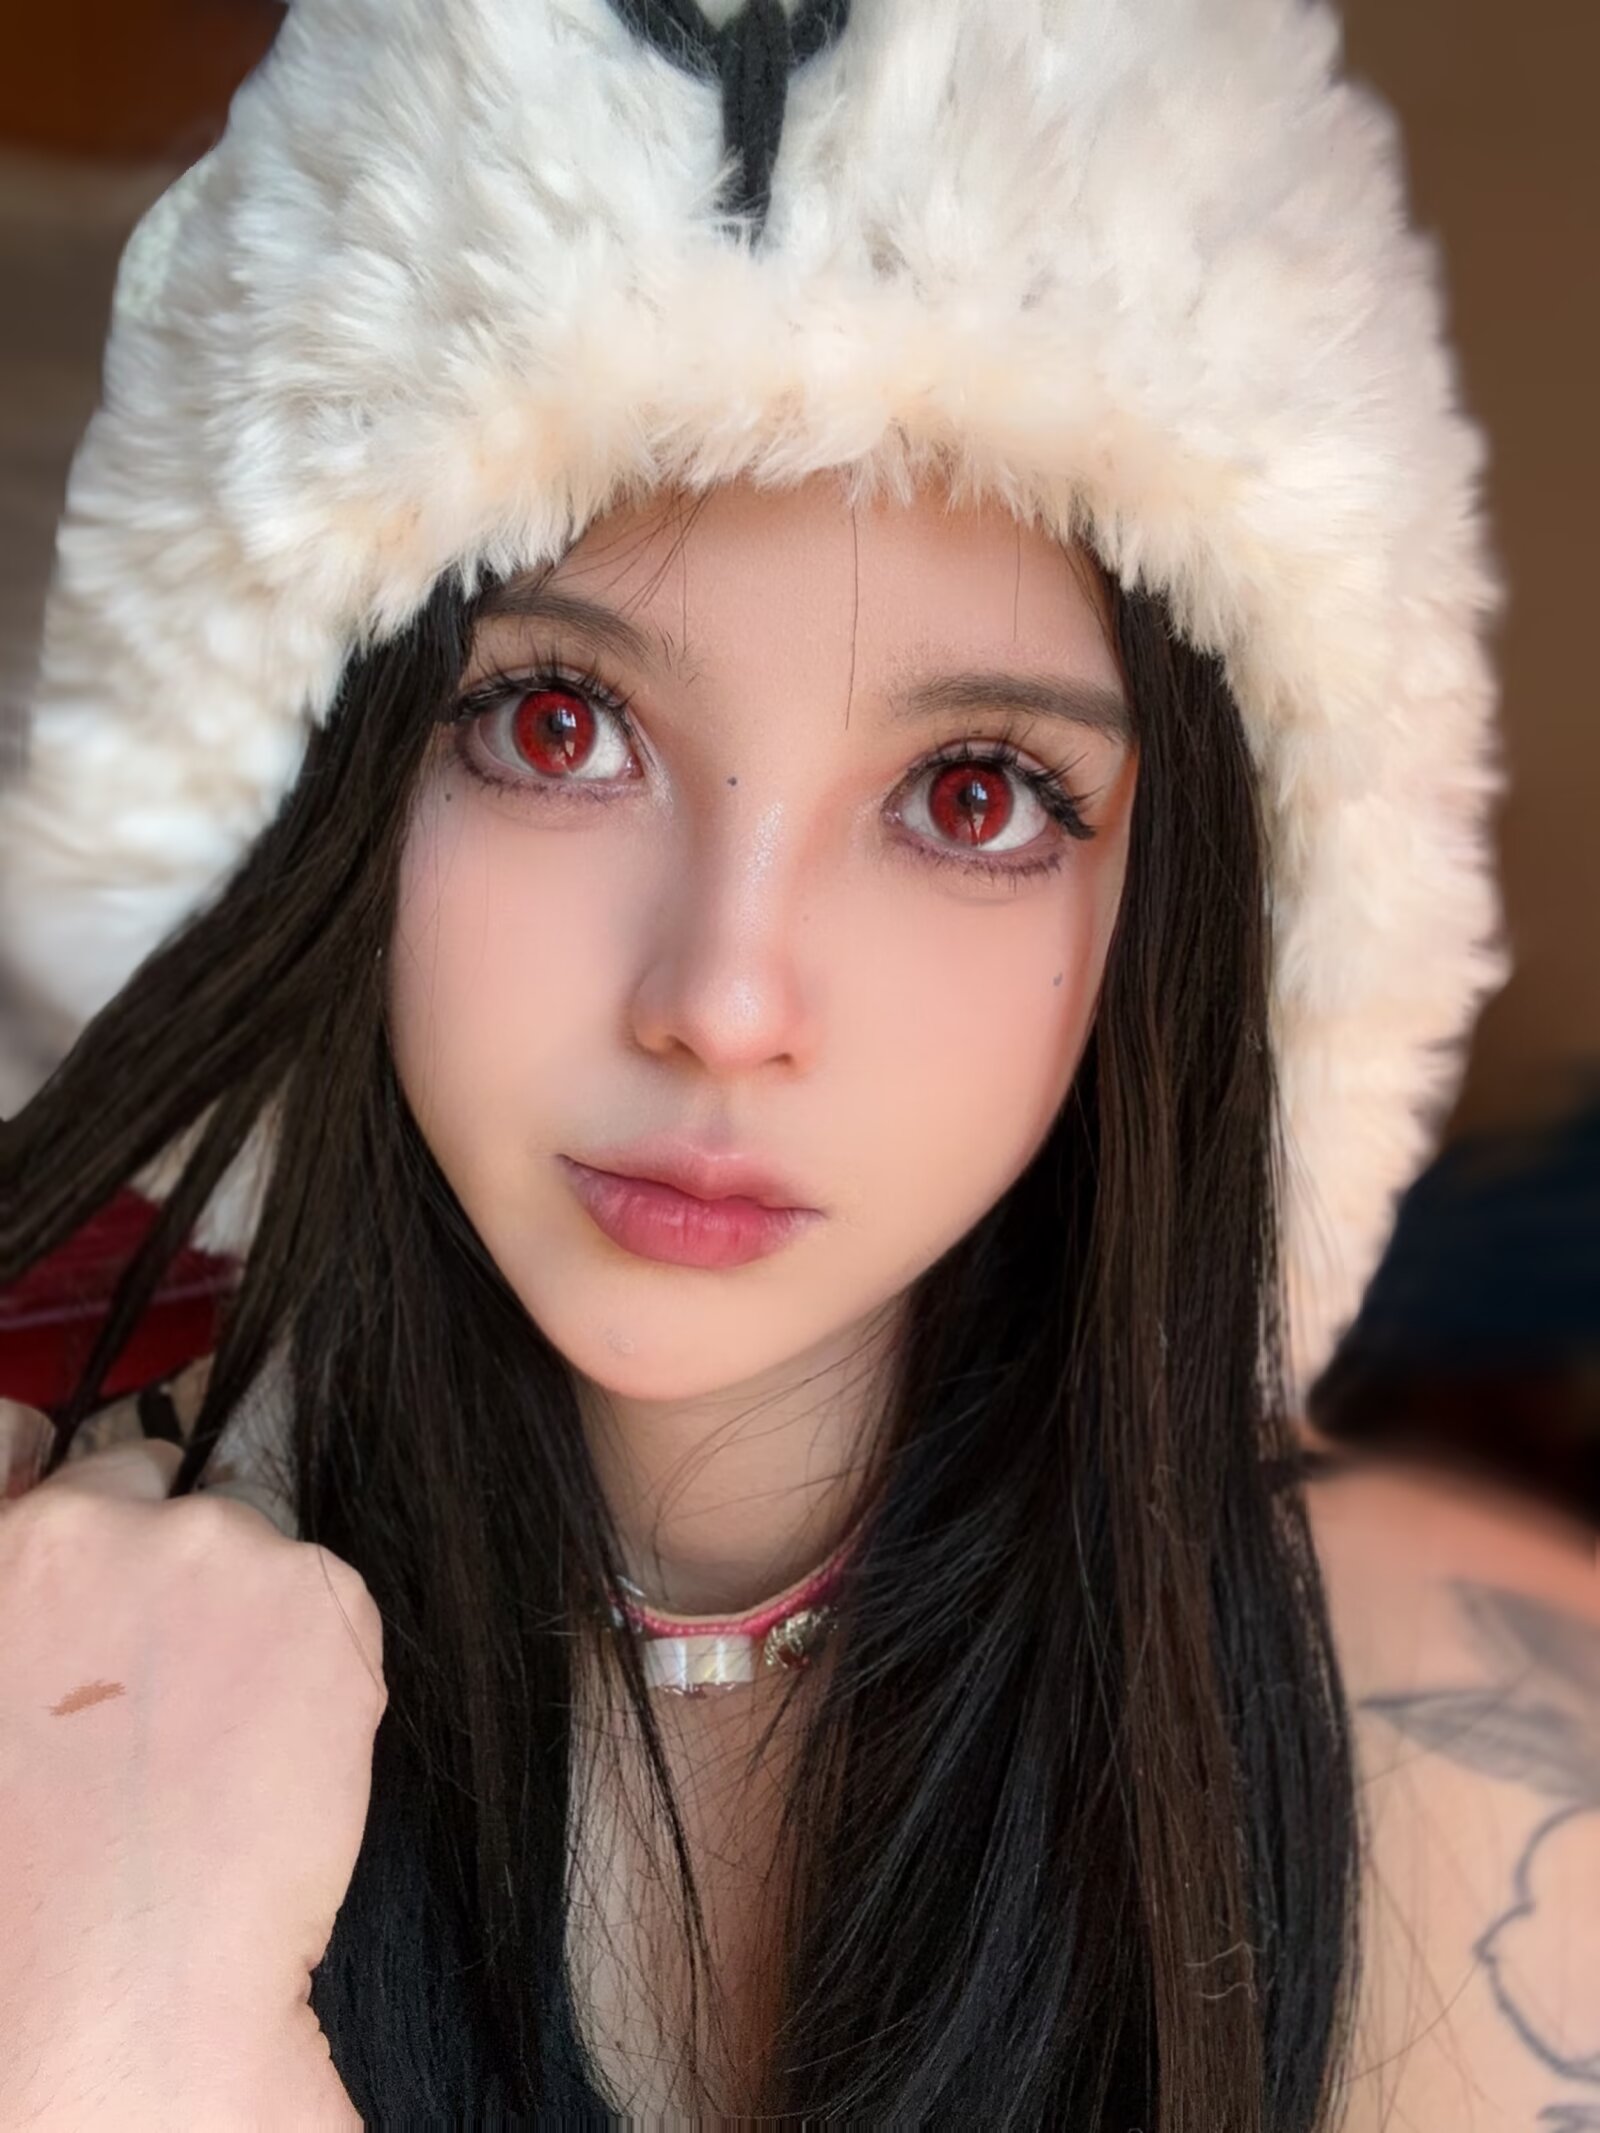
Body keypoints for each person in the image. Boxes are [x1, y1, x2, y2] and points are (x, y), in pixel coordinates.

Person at [1, 0, 1596, 2125]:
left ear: (1182, 909)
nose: (726, 995)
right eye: (556, 724)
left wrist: (135, 2046)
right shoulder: (57, 1633)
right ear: (318, 775)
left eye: (972, 794)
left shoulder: (1481, 1774)